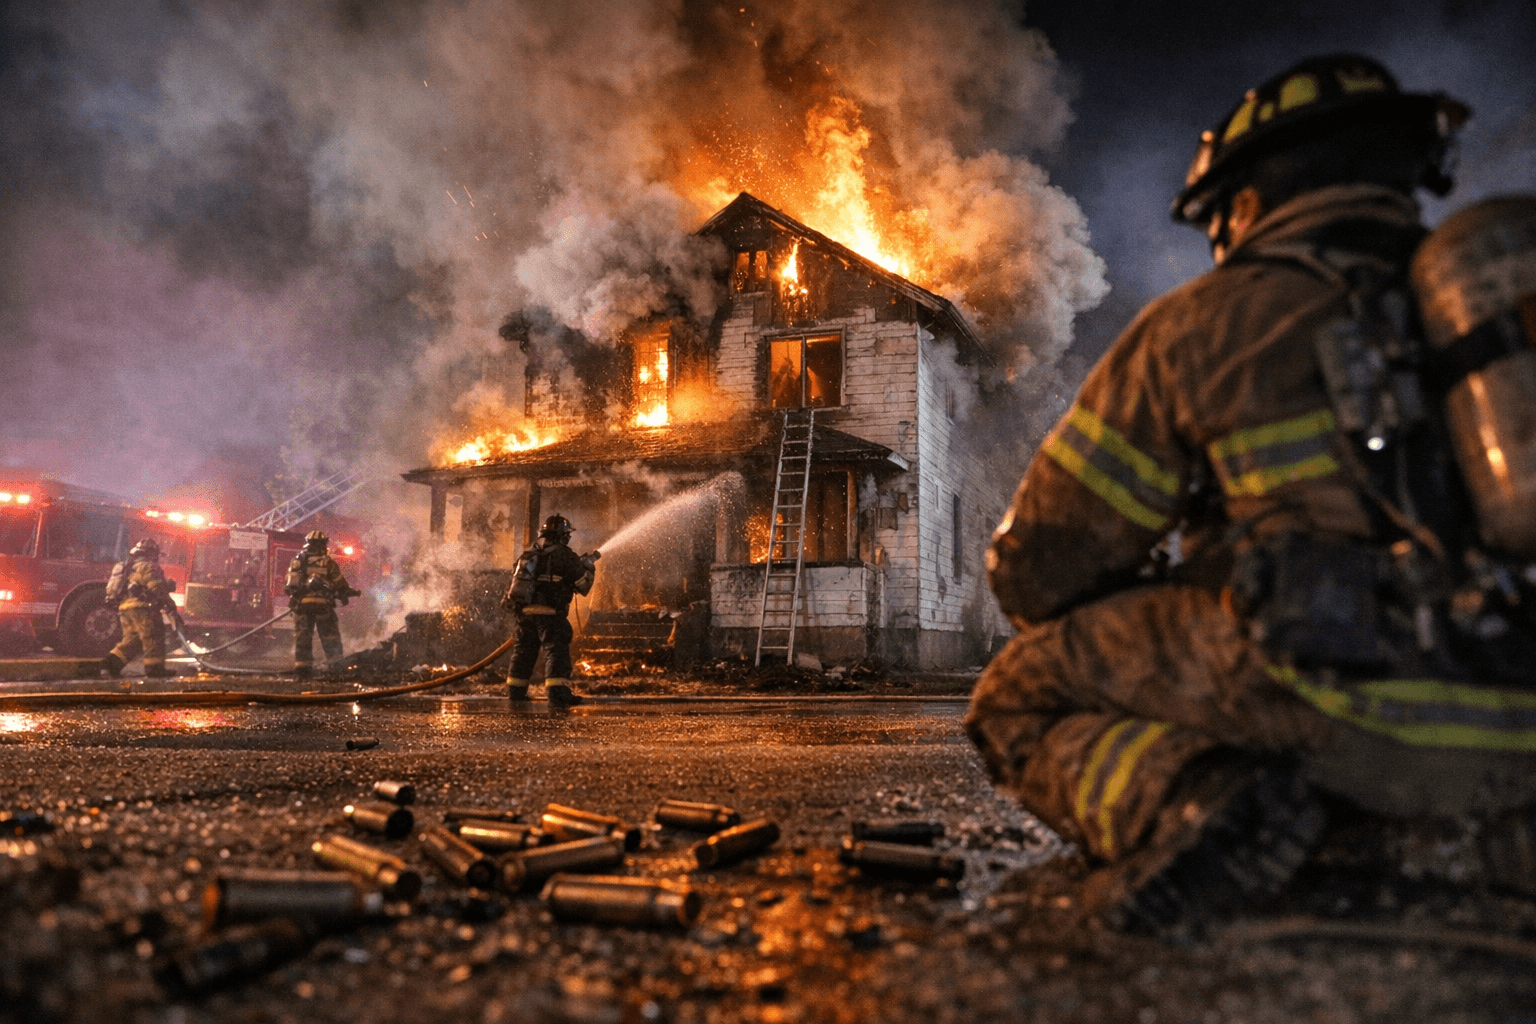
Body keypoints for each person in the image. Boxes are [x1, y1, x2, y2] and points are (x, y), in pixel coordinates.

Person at [966, 53, 1536, 933]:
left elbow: (1040, 567)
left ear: (1244, 200)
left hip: (1346, 701)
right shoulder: (1501, 319)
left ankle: (1204, 807)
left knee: (1017, 694)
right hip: (1518, 713)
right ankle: (1459, 838)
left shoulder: (1202, 325)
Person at [502, 514, 598, 707]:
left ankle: (515, 692)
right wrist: (589, 569)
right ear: (562, 536)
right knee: (556, 652)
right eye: (567, 535)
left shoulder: (528, 555)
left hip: (525, 615)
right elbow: (583, 587)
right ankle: (558, 694)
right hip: (550, 615)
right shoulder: (565, 555)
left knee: (523, 652)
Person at [284, 530, 357, 676]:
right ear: (323, 544)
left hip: (303, 606)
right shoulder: (328, 562)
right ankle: (335, 668)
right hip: (323, 606)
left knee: (303, 637)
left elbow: (291, 586)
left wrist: (298, 595)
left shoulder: (298, 560)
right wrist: (346, 593)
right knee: (330, 637)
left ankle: (302, 669)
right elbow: (339, 583)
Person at [102, 538, 176, 678]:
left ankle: (109, 665)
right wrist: (171, 606)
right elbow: (157, 588)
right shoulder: (149, 566)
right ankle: (155, 670)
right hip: (143, 609)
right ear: (151, 553)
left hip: (125, 609)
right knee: (153, 638)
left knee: (132, 641)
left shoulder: (128, 567)